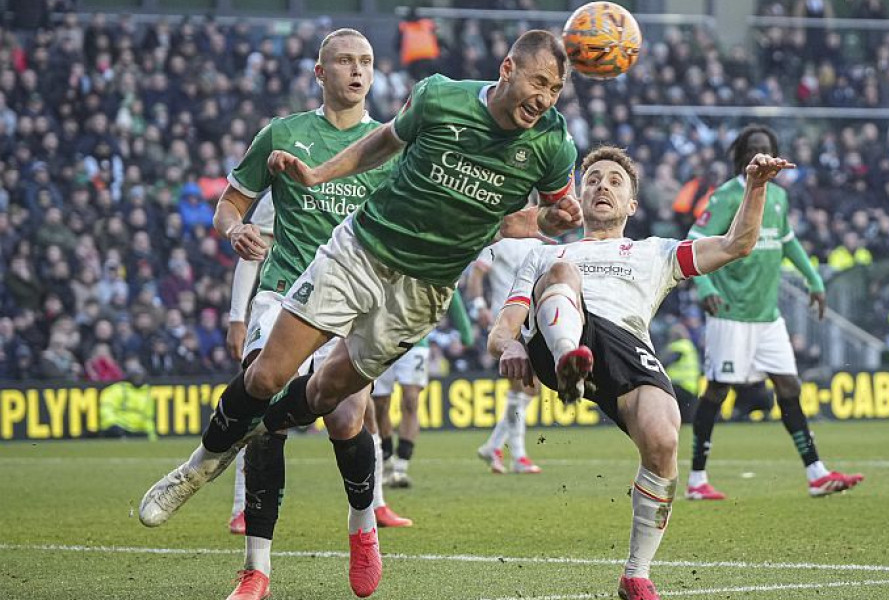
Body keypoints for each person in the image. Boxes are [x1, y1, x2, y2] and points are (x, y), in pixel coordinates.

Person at [138, 29, 582, 599]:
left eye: (556, 88)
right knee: (268, 378)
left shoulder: (552, 146)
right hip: (360, 253)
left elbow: (536, 218)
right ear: (507, 68)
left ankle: (361, 523)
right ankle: (200, 468)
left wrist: (552, 223)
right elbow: (383, 145)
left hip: (422, 291)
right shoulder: (438, 97)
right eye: (539, 82)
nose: (545, 97)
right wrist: (318, 176)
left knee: (335, 407)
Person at [145, 28, 407, 600]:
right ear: (321, 73)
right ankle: (256, 569)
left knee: (344, 418)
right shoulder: (284, 133)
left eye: (365, 61)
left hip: (354, 299)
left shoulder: (387, 147)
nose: (357, 71)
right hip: (283, 292)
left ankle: (363, 528)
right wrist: (236, 230)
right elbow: (231, 202)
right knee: (262, 413)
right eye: (344, 61)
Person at [489, 146, 793, 600]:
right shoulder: (545, 255)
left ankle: (636, 573)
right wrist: (510, 347)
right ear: (578, 195)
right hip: (557, 338)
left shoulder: (656, 252)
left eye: (614, 181)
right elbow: (501, 332)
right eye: (592, 179)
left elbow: (737, 244)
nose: (601, 186)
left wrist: (756, 186)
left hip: (624, 349)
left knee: (664, 438)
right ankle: (569, 359)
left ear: (632, 203)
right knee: (561, 271)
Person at [686, 125, 863, 501]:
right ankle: (697, 480)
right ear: (742, 156)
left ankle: (816, 473)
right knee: (718, 390)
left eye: (767, 149)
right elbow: (692, 240)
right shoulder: (728, 195)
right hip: (730, 313)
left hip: (767, 316)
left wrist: (814, 278)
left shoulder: (779, 197)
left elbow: (788, 242)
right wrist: (704, 286)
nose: (761, 156)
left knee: (789, 386)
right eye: (754, 150)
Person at [224, 191, 413, 541]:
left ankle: (374, 505)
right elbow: (253, 249)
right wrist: (238, 317)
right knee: (265, 401)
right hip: (290, 308)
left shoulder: (374, 171)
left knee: (358, 411)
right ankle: (241, 507)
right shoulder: (291, 177)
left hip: (345, 307)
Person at [373, 291, 474, 488]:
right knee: (380, 405)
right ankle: (386, 460)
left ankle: (401, 466)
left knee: (411, 401)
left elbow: (452, 292)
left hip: (416, 342)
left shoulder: (426, 262)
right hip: (381, 341)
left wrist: (465, 334)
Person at [470, 237, 546, 474]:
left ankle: (493, 445)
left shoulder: (537, 242)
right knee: (518, 387)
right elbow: (476, 276)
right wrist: (480, 306)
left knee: (532, 388)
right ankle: (519, 456)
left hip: (531, 321)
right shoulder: (497, 242)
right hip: (506, 322)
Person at [98, 364, 155, 441]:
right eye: (136, 376)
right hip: (119, 428)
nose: (138, 379)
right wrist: (113, 425)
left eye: (140, 376)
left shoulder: (146, 393)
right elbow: (107, 409)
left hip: (136, 431)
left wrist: (151, 436)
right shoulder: (118, 389)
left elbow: (148, 418)